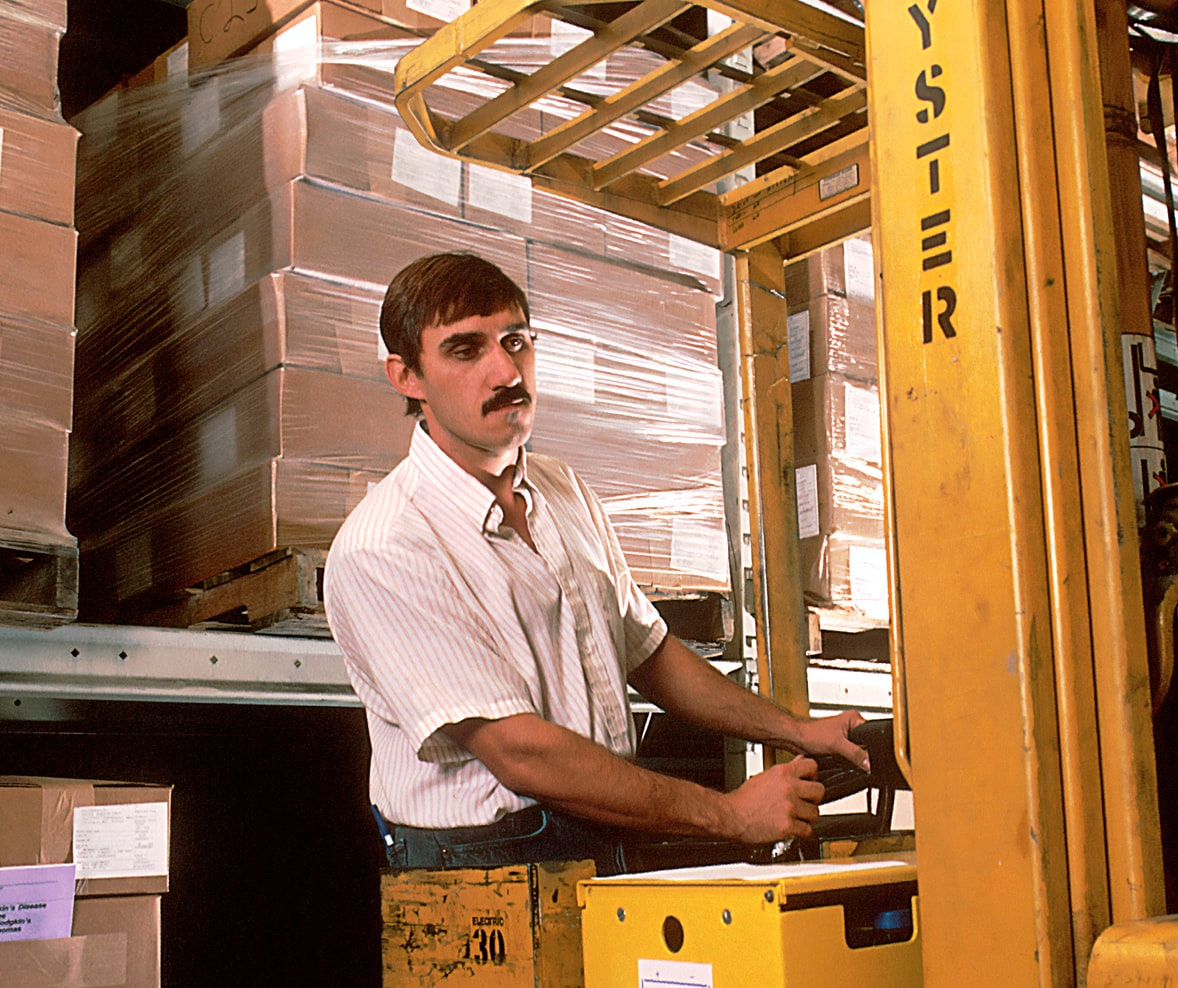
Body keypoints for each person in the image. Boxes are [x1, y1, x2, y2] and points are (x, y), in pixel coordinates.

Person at [328, 251, 868, 874]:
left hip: (603, 829)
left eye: (516, 340)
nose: (506, 370)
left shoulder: (564, 490)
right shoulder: (388, 545)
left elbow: (649, 652)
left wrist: (795, 731)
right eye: (465, 349)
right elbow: (519, 754)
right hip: (483, 866)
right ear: (407, 377)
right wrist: (732, 815)